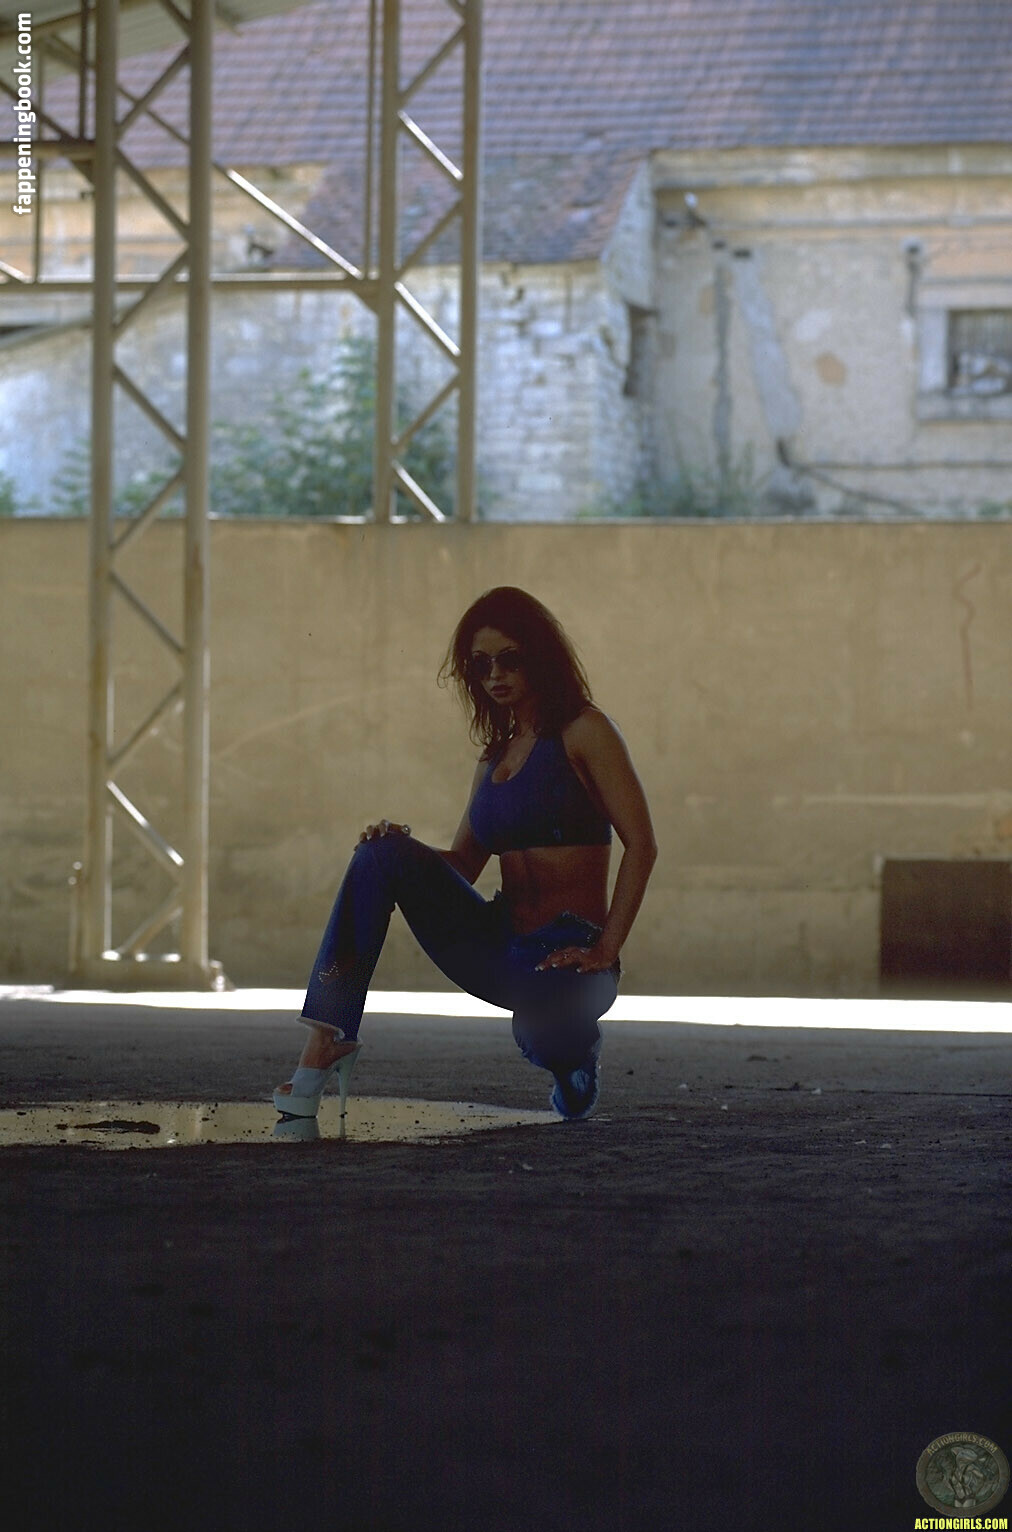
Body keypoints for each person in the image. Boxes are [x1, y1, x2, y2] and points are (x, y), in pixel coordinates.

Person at [273, 585, 657, 1127]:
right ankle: (326, 1041)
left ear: (540, 656)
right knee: (378, 854)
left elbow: (642, 844)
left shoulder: (586, 731)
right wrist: (401, 848)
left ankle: (574, 1059)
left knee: (543, 1032)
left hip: (568, 957)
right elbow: (463, 865)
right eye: (480, 665)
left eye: (509, 659)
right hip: (499, 945)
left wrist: (606, 948)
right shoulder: (494, 757)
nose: (495, 675)